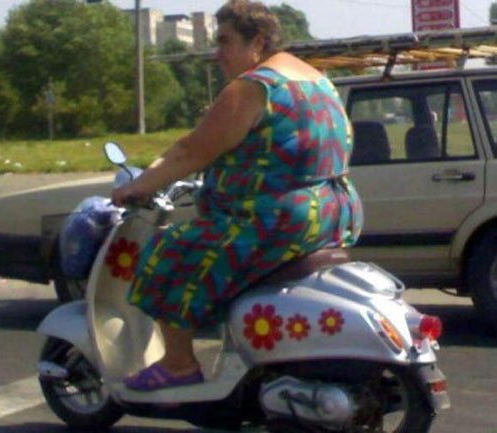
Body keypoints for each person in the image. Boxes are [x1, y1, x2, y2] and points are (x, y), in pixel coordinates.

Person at [111, 0, 363, 391]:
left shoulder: (254, 87)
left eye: (225, 41)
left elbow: (191, 151)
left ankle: (178, 364)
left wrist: (136, 186)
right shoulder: (317, 80)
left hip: (275, 220)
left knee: (169, 251)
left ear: (257, 42)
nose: (217, 52)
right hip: (335, 213)